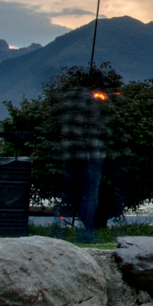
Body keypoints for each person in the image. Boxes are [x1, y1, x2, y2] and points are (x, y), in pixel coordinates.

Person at [56, 79, 112, 243]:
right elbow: (100, 128)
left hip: (70, 155)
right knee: (90, 194)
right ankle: (87, 232)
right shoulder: (91, 102)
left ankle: (60, 232)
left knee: (69, 192)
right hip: (91, 156)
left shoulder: (66, 101)